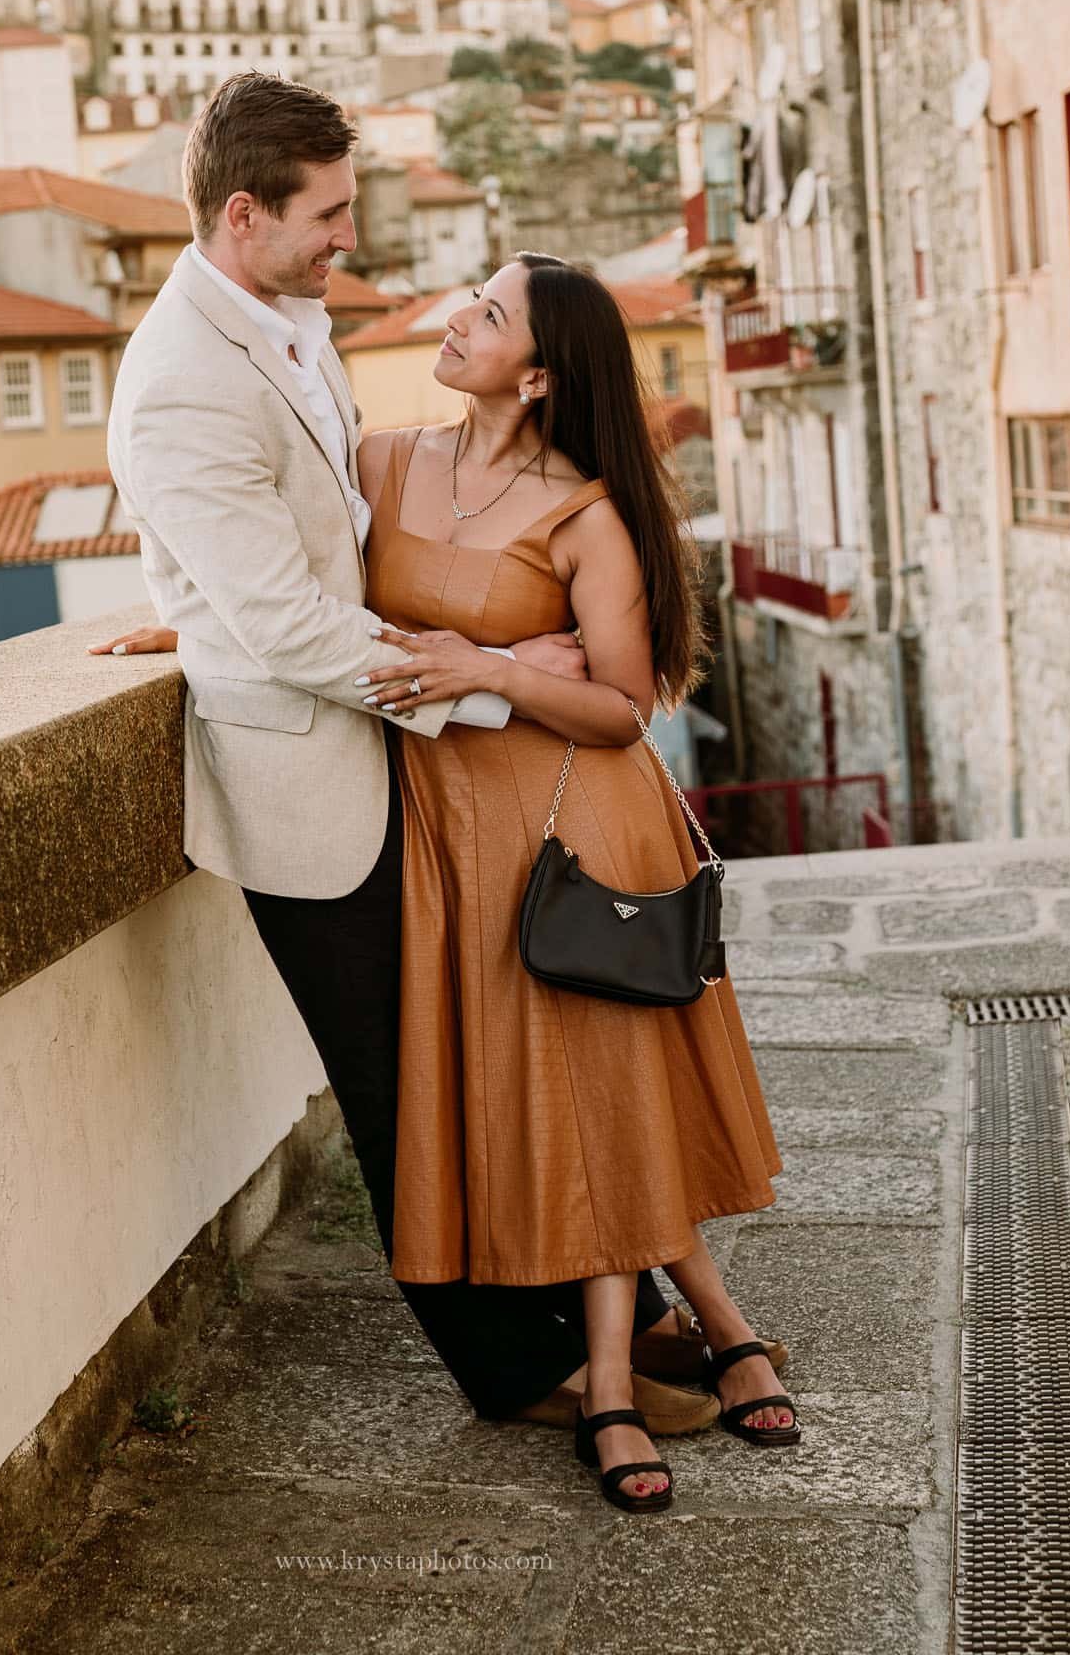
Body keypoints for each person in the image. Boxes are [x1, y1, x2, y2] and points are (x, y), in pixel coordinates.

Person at [97, 71, 776, 1457]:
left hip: (407, 784)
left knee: (483, 1068)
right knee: (397, 1092)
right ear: (244, 213)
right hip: (310, 789)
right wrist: (495, 684)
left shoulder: (284, 322)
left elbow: (319, 546)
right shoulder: (179, 381)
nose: (351, 238)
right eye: (329, 214)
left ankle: (604, 1309)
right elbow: (290, 620)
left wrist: (205, 604)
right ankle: (520, 1367)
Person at [351, 254, 796, 1509]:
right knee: (571, 1102)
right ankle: (719, 1323)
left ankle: (608, 1384)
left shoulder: (587, 514)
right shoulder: (379, 461)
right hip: (450, 830)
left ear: (539, 375)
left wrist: (483, 668)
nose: (456, 317)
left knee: (598, 1094)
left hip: (575, 823)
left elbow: (620, 706)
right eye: (471, 296)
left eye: (488, 313)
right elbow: (302, 598)